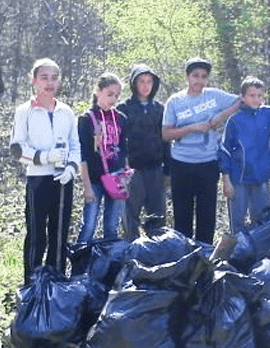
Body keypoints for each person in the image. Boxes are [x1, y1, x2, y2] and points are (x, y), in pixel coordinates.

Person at [10, 58, 81, 284]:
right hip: (38, 180)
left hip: (63, 181)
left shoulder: (67, 112)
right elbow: (16, 148)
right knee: (37, 235)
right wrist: (43, 157)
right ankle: (31, 284)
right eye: (44, 77)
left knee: (59, 235)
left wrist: (71, 168)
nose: (49, 83)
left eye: (54, 77)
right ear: (34, 81)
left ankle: (56, 282)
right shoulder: (24, 112)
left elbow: (76, 145)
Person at [162, 57, 240, 243]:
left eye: (204, 76)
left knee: (207, 215)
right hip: (181, 164)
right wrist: (192, 128)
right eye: (195, 76)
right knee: (182, 215)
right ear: (187, 77)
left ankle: (204, 257)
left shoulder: (214, 96)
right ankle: (183, 257)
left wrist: (219, 116)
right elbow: (166, 134)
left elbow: (241, 101)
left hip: (207, 163)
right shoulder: (175, 101)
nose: (199, 80)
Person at [219, 77, 270, 233]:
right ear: (242, 97)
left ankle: (259, 253)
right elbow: (225, 151)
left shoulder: (269, 115)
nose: (256, 99)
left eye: (259, 95)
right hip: (238, 179)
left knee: (262, 221)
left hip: (261, 177)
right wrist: (226, 181)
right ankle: (236, 253)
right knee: (237, 222)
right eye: (252, 95)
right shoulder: (234, 121)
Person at [117, 63, 169, 240]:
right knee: (130, 217)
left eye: (149, 81)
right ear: (134, 84)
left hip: (156, 169)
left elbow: (166, 140)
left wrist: (167, 171)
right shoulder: (123, 109)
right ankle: (132, 254)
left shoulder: (160, 109)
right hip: (132, 170)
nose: (146, 85)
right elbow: (117, 143)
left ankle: (158, 254)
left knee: (158, 216)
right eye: (141, 81)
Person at [77, 72, 128, 243]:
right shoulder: (86, 119)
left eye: (117, 95)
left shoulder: (121, 118)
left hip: (116, 177)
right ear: (98, 91)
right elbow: (82, 156)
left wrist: (126, 175)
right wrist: (86, 186)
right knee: (89, 225)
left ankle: (108, 265)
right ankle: (80, 265)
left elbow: (124, 150)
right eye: (109, 94)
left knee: (112, 226)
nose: (113, 99)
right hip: (95, 180)